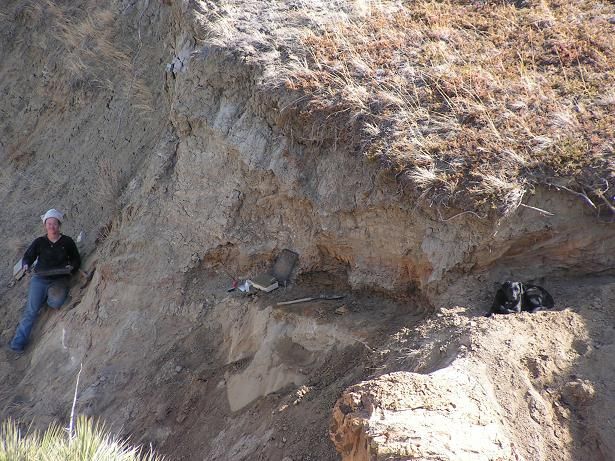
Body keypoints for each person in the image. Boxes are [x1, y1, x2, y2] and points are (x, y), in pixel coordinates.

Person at [9, 209, 81, 352]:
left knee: (56, 302)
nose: (52, 226)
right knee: (31, 311)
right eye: (49, 224)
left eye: (54, 223)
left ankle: (46, 299)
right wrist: (25, 265)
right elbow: (28, 256)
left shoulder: (67, 241)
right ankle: (17, 344)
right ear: (45, 225)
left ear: (59, 225)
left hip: (59, 279)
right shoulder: (40, 242)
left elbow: (76, 258)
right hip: (40, 279)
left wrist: (72, 267)